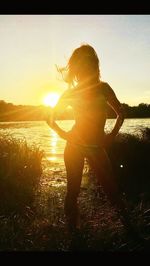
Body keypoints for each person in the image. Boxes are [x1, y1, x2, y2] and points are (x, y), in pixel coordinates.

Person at [45, 44, 134, 233]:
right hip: (74, 146)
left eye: (89, 63)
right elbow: (49, 118)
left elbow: (121, 113)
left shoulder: (103, 88)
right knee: (73, 192)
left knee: (112, 190)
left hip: (96, 146)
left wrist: (111, 135)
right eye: (81, 64)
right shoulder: (71, 92)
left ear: (94, 65)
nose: (85, 68)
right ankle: (73, 236)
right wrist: (65, 134)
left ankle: (131, 231)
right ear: (77, 68)